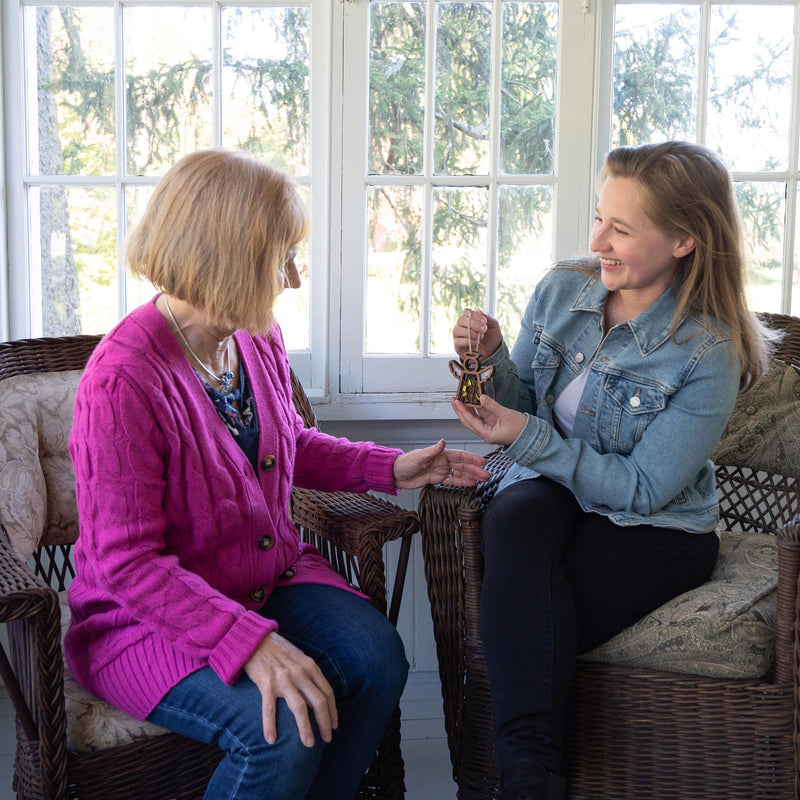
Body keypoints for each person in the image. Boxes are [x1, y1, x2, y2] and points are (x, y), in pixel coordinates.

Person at [64, 148, 490, 800]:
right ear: (226, 258)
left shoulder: (254, 337)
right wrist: (250, 644)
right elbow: (128, 566)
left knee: (377, 660)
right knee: (279, 726)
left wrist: (395, 466)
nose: (292, 277)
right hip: (141, 622)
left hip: (263, 578)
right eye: (279, 257)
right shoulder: (123, 378)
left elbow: (286, 444)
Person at [448, 141, 776, 800]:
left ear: (685, 239)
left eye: (621, 229)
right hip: (554, 498)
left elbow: (645, 487)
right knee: (516, 515)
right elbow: (523, 408)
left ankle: (522, 779)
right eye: (600, 217)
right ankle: (532, 782)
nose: (597, 239)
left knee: (525, 616)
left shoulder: (707, 351)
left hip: (653, 527)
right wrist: (489, 362)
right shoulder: (563, 289)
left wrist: (528, 437)